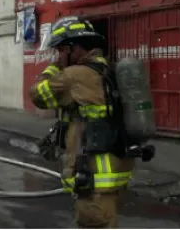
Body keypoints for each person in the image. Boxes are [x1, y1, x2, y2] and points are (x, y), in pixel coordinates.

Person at [28, 16, 134, 228]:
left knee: (94, 224)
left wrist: (52, 68)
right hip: (117, 168)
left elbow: (37, 95)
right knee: (107, 220)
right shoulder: (108, 70)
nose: (58, 55)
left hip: (93, 173)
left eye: (60, 50)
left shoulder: (75, 75)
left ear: (73, 48)